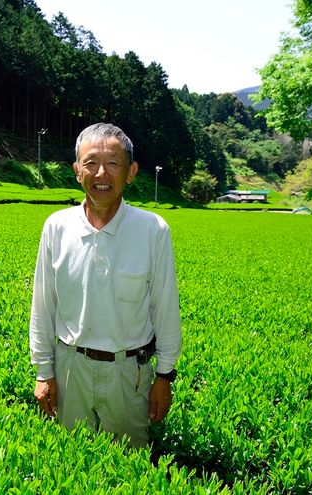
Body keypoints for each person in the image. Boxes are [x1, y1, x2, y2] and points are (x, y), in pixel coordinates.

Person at [29, 123, 182, 448]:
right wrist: (44, 371)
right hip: (70, 368)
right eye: (91, 163)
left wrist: (164, 376)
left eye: (113, 163)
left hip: (128, 373)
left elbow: (165, 307)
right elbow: (44, 304)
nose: (101, 173)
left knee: (128, 468)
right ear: (76, 171)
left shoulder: (153, 229)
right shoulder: (56, 227)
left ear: (131, 172)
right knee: (72, 463)